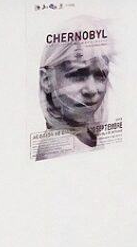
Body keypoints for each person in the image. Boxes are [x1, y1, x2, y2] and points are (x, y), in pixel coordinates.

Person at [35, 29, 114, 159]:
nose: (92, 89)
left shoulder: (85, 135)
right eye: (77, 74)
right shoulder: (62, 147)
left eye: (100, 75)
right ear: (46, 80)